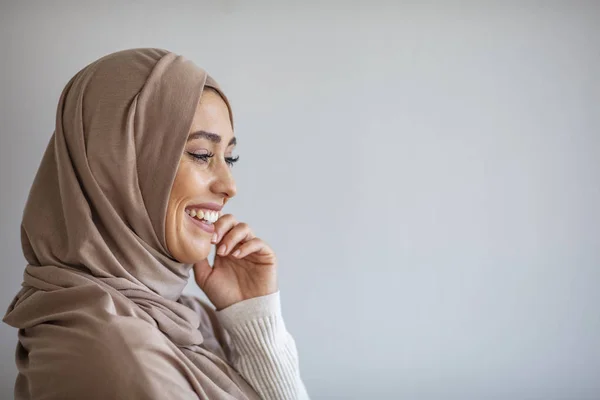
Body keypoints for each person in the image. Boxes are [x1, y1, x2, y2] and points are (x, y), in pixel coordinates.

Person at [3, 48, 309, 400]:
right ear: (117, 167)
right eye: (201, 155)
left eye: (230, 157)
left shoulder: (187, 319)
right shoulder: (111, 358)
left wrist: (254, 320)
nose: (230, 186)